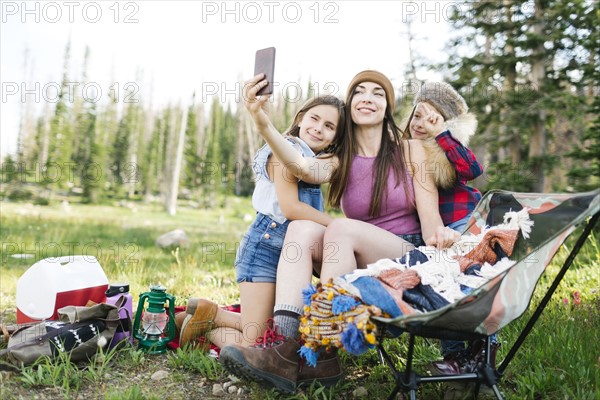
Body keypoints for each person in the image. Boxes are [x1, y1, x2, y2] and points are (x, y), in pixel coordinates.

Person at [219, 71, 460, 393]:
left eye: (378, 92)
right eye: (359, 91)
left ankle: (322, 347)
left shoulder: (411, 150)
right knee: (303, 226)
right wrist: (260, 120)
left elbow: (431, 223)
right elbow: (301, 167)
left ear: (387, 107)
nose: (368, 97)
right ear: (352, 105)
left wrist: (444, 236)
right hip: (355, 258)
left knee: (341, 228)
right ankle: (287, 347)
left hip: (405, 254)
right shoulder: (339, 158)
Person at [177, 95, 346, 350]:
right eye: (314, 118)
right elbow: (291, 208)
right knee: (257, 344)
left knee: (277, 331)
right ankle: (206, 325)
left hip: (290, 256)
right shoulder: (284, 151)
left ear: (335, 137)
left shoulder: (315, 161)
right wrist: (338, 227)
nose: (318, 128)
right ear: (300, 118)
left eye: (329, 126)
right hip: (264, 249)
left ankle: (212, 314)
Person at [404, 82, 498, 375]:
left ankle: (484, 345)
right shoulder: (403, 149)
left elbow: (473, 170)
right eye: (417, 116)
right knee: (443, 284)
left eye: (431, 118)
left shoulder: (445, 149)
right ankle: (458, 356)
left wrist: (440, 135)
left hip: (463, 221)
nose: (420, 124)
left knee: (466, 278)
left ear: (445, 123)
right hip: (432, 229)